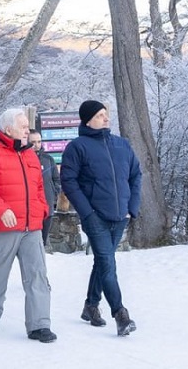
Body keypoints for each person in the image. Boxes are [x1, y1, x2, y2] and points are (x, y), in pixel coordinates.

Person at [0, 108, 56, 343]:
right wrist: (1, 208)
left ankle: (39, 325)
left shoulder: (30, 155)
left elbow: (39, 188)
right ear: (8, 129)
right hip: (1, 226)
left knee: (38, 275)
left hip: (32, 227)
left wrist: (42, 210)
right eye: (23, 127)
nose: (28, 131)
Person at [60, 100, 141, 336]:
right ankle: (121, 314)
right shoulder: (77, 147)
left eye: (106, 114)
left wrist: (131, 207)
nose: (106, 119)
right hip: (96, 217)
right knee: (108, 264)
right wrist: (87, 212)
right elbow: (69, 182)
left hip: (120, 216)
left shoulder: (121, 145)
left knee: (102, 262)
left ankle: (91, 306)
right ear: (88, 120)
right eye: (100, 115)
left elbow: (136, 176)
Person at [29, 131, 60, 247]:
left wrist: (55, 193)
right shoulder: (22, 159)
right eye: (33, 142)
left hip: (48, 205)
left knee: (43, 241)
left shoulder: (48, 159)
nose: (36, 145)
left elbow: (56, 179)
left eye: (39, 141)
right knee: (32, 243)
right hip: (31, 207)